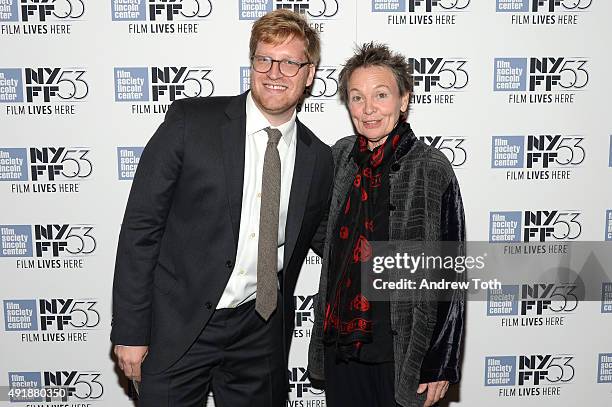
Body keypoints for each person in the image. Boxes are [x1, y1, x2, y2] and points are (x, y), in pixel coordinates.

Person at [111, 9, 333, 407]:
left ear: (310, 73)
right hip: (178, 327)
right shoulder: (191, 122)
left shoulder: (318, 159)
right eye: (264, 59)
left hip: (260, 332)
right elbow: (141, 228)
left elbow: (333, 239)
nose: (274, 72)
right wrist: (130, 330)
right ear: (252, 64)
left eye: (289, 62)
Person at [308, 42, 466, 407]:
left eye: (381, 95)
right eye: (357, 97)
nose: (368, 109)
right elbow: (323, 230)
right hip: (341, 347)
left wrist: (440, 363)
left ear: (403, 99)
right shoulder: (341, 156)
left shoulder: (430, 167)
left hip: (400, 352)